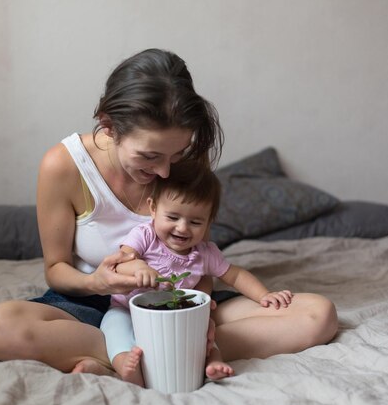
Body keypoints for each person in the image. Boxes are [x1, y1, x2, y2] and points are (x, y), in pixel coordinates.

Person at [0, 48, 338, 377]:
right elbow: (56, 271)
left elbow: (197, 254)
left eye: (176, 155)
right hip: (96, 304)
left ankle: (136, 357)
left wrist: (200, 308)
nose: (165, 172)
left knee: (317, 315)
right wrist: (96, 282)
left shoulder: (188, 158)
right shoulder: (64, 165)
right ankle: (156, 354)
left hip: (181, 299)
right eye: (149, 156)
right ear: (109, 125)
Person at [100, 160, 295, 386]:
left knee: (204, 334)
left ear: (209, 221)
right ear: (153, 208)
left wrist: (264, 295)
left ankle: (213, 362)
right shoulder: (144, 235)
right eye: (172, 217)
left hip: (178, 315)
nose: (182, 228)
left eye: (195, 222)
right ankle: (126, 364)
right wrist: (139, 268)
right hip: (128, 309)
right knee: (114, 329)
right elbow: (121, 262)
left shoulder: (205, 254)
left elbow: (236, 275)